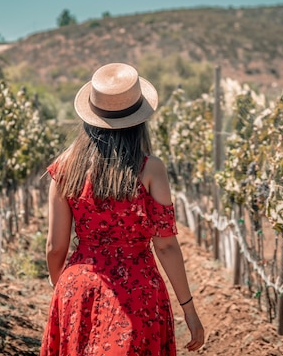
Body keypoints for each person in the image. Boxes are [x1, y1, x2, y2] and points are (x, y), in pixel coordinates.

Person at [40, 63, 205, 355]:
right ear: (140, 119)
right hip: (138, 293)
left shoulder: (65, 168)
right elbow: (165, 245)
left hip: (79, 288)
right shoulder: (151, 169)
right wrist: (188, 310)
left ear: (90, 117)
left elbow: (55, 247)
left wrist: (62, 289)